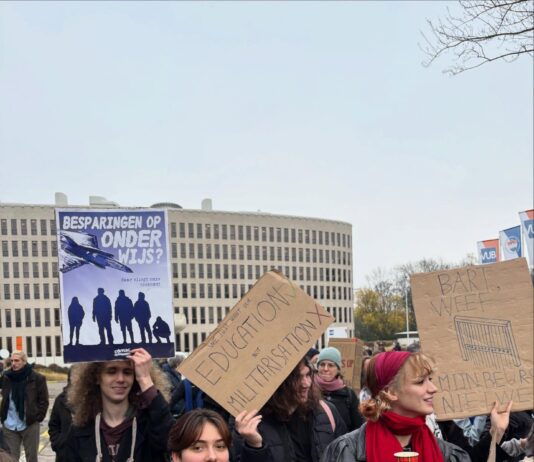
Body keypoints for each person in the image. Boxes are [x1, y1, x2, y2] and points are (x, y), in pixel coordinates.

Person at [320, 351, 470, 462]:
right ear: (390, 392)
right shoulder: (345, 451)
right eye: (420, 382)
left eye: (430, 379)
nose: (433, 388)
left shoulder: (448, 454)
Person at [64, 348, 173, 461]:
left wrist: (145, 379)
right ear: (97, 378)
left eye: (127, 372)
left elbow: (172, 441)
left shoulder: (149, 424)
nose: (120, 379)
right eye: (111, 371)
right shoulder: (79, 431)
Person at [232, 357, 347, 462]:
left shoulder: (326, 412)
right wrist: (254, 447)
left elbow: (344, 454)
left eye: (308, 375)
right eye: (297, 378)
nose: (306, 384)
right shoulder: (250, 424)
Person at [0, 351, 49, 462]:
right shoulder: (6, 377)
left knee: (31, 458)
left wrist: (37, 418)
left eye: (17, 360)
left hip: (29, 424)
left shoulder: (37, 378)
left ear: (24, 361)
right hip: (9, 425)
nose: (13, 363)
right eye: (12, 361)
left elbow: (44, 401)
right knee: (10, 458)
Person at [315, 347, 363, 432]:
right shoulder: (309, 391)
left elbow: (357, 427)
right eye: (322, 364)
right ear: (317, 367)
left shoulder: (349, 395)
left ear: (338, 369)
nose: (325, 369)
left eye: (331, 365)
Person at [48, 368, 74, 461]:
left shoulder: (92, 399)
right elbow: (53, 425)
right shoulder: (60, 400)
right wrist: (58, 443)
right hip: (64, 455)